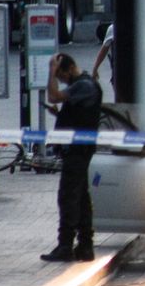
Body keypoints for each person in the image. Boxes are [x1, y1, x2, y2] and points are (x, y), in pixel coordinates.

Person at [41, 53, 104, 262]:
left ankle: (65, 245)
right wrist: (60, 115)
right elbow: (79, 115)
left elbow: (53, 96)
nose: (60, 81)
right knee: (82, 198)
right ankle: (85, 246)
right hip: (79, 149)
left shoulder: (83, 85)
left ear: (68, 70)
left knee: (67, 196)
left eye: (60, 76)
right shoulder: (84, 86)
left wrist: (51, 70)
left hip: (78, 151)